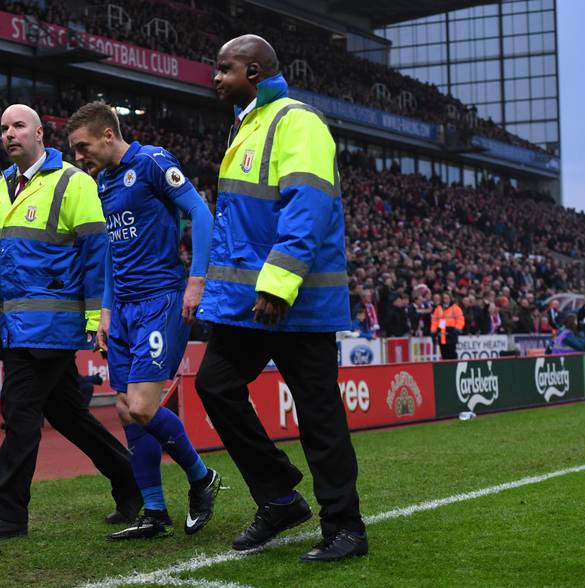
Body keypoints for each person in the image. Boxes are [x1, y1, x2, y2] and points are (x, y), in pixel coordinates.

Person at [194, 35, 367, 562]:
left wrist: (276, 285)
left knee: (319, 418)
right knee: (214, 387)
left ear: (252, 70)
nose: (215, 77)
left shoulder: (298, 121)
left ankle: (346, 529)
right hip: (248, 306)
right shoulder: (246, 126)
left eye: (223, 68)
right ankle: (278, 496)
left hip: (294, 304)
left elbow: (307, 208)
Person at [0, 104, 140, 541]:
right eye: (3, 128)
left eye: (18, 126)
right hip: (18, 329)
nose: (9, 134)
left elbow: (98, 254)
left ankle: (8, 513)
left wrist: (96, 316)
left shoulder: (73, 183)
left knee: (19, 414)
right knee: (71, 418)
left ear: (39, 134)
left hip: (51, 330)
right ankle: (133, 486)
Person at [66, 101, 220, 541]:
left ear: (108, 135)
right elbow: (115, 253)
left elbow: (202, 214)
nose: (79, 157)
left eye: (83, 147)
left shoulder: (152, 161)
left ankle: (202, 477)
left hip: (161, 300)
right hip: (125, 311)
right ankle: (155, 510)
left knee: (143, 407)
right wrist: (107, 312)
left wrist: (197, 281)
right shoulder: (104, 183)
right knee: (125, 411)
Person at [431, 292, 464, 360]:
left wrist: (457, 329)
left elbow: (460, 320)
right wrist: (433, 331)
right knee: (444, 355)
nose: (445, 300)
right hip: (442, 335)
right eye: (444, 298)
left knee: (452, 355)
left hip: (451, 334)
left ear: (450, 298)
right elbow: (434, 321)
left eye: (446, 298)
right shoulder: (438, 309)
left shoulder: (455, 308)